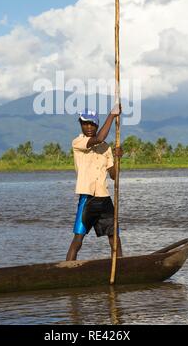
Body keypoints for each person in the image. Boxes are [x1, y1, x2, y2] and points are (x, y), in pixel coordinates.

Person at [66, 104, 123, 261]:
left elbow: (113, 175)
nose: (89, 127)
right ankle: (68, 270)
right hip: (88, 198)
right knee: (78, 239)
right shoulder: (78, 142)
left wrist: (118, 159)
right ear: (81, 125)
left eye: (92, 123)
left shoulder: (106, 148)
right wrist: (112, 115)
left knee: (115, 238)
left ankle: (122, 266)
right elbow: (99, 138)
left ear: (97, 125)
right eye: (85, 123)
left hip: (104, 198)